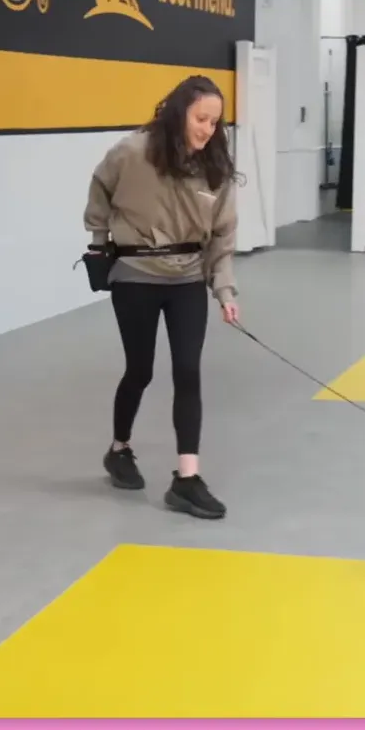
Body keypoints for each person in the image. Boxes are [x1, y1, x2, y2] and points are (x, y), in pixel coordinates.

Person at [84, 75, 241, 521]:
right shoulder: (132, 153)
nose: (208, 129)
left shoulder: (216, 169)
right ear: (179, 113)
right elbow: (100, 189)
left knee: (188, 371)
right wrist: (99, 242)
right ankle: (119, 449)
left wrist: (224, 289)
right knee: (141, 370)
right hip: (135, 274)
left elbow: (223, 238)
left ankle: (186, 479)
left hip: (188, 277)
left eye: (215, 121)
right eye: (201, 118)